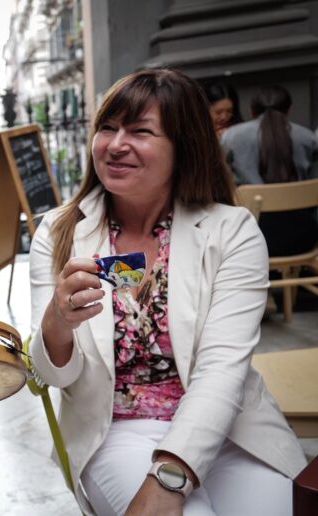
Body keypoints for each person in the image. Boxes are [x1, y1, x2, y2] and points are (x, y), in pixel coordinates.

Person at [29, 68, 306, 515]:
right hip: (116, 429)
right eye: (107, 127)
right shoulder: (60, 233)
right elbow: (49, 376)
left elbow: (222, 370)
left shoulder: (231, 232)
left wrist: (171, 473)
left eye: (140, 131)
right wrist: (57, 322)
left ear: (184, 147)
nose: (116, 144)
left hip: (228, 427)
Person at [220, 85, 318, 256]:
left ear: (251, 111)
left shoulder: (231, 137)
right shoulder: (308, 138)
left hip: (251, 237)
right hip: (305, 236)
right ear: (288, 110)